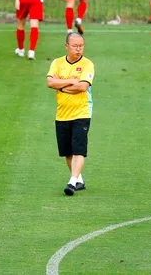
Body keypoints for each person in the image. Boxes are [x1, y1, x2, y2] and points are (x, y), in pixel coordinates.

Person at [46, 33, 95, 196]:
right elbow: (50, 82)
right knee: (67, 152)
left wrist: (61, 85)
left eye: (81, 46)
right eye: (75, 46)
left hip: (82, 111)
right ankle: (79, 179)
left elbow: (82, 87)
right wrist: (70, 82)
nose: (78, 49)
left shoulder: (87, 64)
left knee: (79, 149)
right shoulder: (57, 63)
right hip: (62, 113)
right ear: (66, 46)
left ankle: (72, 182)